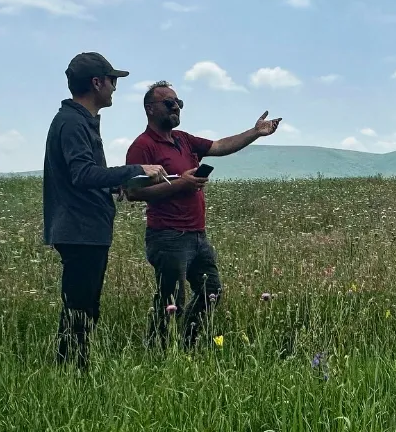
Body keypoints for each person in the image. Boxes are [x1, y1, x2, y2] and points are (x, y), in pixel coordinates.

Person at [124, 80, 281, 350]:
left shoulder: (183, 139)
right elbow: (132, 192)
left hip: (197, 235)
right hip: (167, 236)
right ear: (150, 109)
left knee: (212, 291)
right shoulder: (142, 146)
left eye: (179, 103)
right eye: (169, 103)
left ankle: (188, 344)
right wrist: (180, 184)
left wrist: (255, 133)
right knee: (172, 300)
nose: (176, 107)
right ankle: (158, 352)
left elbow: (220, 146)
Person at [43, 52, 167, 370]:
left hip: (86, 229)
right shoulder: (72, 123)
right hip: (80, 230)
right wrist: (135, 169)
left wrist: (116, 185)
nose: (114, 88)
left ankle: (72, 371)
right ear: (97, 82)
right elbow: (82, 174)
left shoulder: (79, 121)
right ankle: (71, 374)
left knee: (84, 307)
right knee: (80, 309)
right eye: (112, 81)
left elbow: (84, 177)